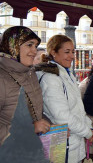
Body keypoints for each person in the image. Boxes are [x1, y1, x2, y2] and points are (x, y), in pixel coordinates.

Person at [36, 35, 93, 163]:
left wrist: (89, 127)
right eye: (67, 52)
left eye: (73, 52)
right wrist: (87, 132)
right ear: (53, 52)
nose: (72, 56)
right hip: (62, 145)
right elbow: (61, 116)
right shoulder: (51, 78)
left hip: (72, 142)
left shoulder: (65, 74)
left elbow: (78, 108)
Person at [0, 26, 50, 162]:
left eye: (36, 45)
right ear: (12, 46)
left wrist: (50, 125)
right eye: (29, 45)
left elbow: (34, 111)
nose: (35, 51)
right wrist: (30, 128)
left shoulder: (30, 73)